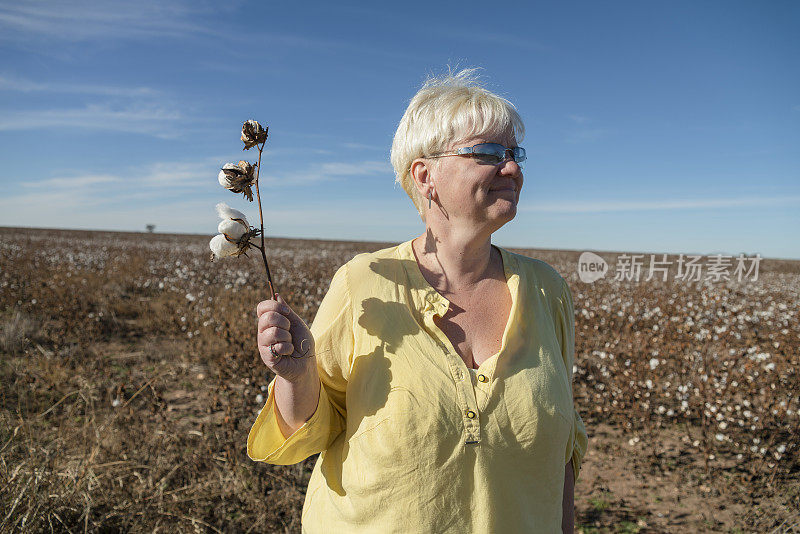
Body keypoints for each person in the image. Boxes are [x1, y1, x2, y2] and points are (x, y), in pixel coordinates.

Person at [248, 68, 589, 533]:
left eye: (515, 154)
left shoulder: (547, 290)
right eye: (489, 153)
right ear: (425, 175)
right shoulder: (363, 281)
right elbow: (312, 428)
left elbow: (562, 450)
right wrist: (297, 373)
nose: (511, 168)